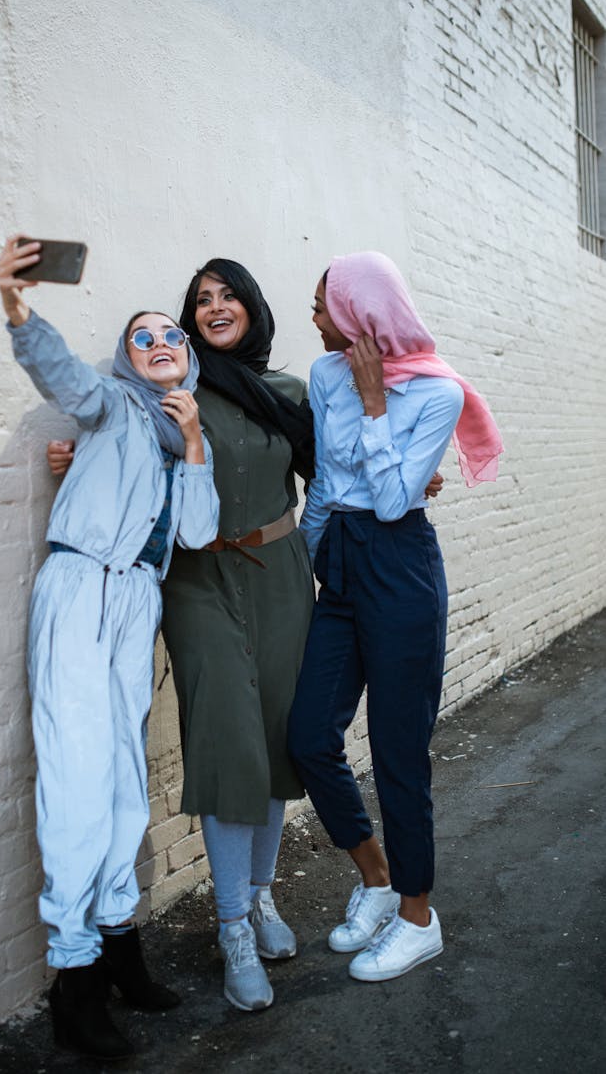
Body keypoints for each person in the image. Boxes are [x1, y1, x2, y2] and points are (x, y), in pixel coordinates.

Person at [47, 257, 445, 1011]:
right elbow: (118, 440)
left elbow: (345, 465)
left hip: (283, 573)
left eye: (228, 295)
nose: (215, 307)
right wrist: (72, 459)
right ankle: (232, 926)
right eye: (201, 299)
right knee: (230, 743)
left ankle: (260, 898)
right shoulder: (171, 394)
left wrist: (420, 470)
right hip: (199, 583)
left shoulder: (293, 394)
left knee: (274, 742)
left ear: (253, 307)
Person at [0, 235, 219, 1059]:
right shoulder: (110, 407)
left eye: (173, 337)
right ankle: (74, 975)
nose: (161, 345)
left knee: (125, 774)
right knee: (78, 776)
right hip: (80, 587)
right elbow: (63, 378)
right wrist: (20, 308)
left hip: (135, 600)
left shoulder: (181, 435)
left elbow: (196, 530)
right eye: (144, 338)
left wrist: (194, 442)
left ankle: (120, 939)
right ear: (127, 361)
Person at [287, 250, 503, 983]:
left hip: (402, 567)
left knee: (398, 751)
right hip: (342, 565)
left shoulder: (438, 393)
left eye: (323, 304)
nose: (314, 316)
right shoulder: (322, 375)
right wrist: (317, 555)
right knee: (311, 734)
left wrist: (377, 404)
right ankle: (376, 877)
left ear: (357, 312)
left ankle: (418, 916)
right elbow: (325, 481)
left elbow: (389, 500)